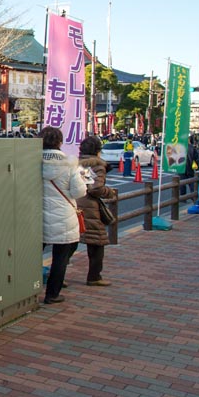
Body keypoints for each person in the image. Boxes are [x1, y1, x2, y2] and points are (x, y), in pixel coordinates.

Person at [40, 126, 87, 304]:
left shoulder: (30, 161)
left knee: (31, 255)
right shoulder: (69, 164)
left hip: (35, 215)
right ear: (60, 142)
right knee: (61, 257)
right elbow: (79, 191)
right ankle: (52, 294)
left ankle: (26, 289)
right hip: (63, 215)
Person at [76, 136, 117, 286]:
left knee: (71, 242)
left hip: (75, 203)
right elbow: (96, 188)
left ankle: (57, 275)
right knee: (97, 242)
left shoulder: (76, 164)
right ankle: (94, 277)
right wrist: (109, 192)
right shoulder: (98, 165)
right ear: (98, 151)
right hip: (90, 207)